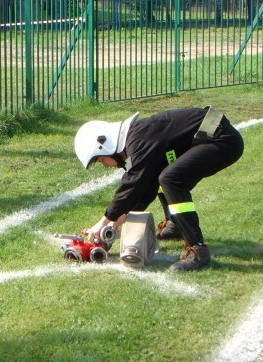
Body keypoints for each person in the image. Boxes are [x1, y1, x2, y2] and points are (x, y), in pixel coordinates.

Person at [73, 106, 244, 272]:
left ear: (106, 145)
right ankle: (175, 225)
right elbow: (143, 193)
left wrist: (102, 223)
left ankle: (198, 251)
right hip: (215, 135)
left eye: (102, 160)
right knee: (162, 176)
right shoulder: (138, 139)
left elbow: (132, 186)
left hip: (223, 140)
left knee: (170, 179)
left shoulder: (139, 141)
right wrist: (110, 229)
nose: (105, 165)